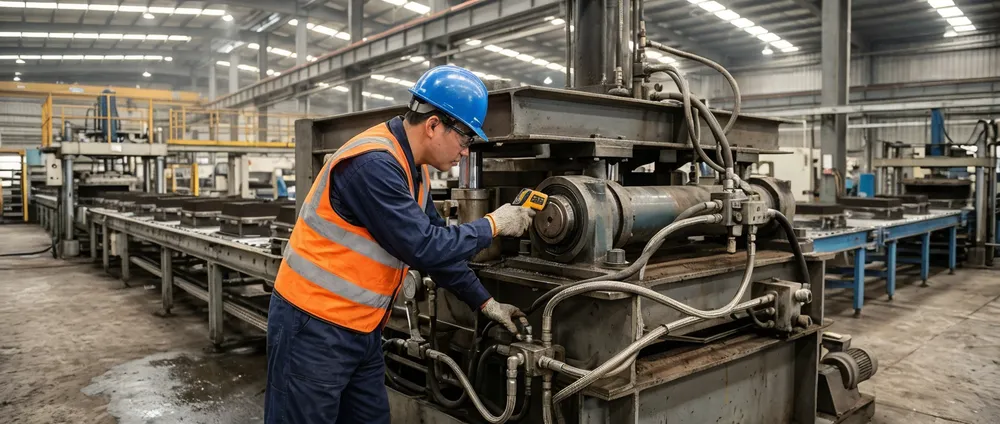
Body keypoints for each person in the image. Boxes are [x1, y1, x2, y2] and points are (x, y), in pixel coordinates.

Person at [264, 65, 536, 424]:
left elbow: (439, 253)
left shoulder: (413, 169)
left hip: (361, 330)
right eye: (465, 138)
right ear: (434, 124)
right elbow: (424, 247)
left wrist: (485, 302)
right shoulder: (373, 164)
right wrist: (493, 225)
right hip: (312, 327)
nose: (466, 152)